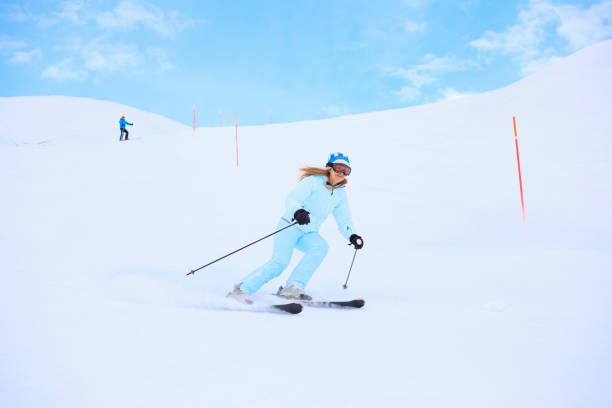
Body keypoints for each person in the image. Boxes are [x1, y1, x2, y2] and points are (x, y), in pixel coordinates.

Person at [228, 152, 364, 303]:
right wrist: (298, 211)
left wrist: (352, 235)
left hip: (309, 232)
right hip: (290, 225)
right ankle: (241, 289)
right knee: (280, 263)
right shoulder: (312, 182)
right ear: (330, 168)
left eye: (346, 171)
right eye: (339, 168)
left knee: (320, 247)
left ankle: (293, 287)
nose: (342, 173)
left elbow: (344, 219)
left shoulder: (340, 195)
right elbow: (293, 198)